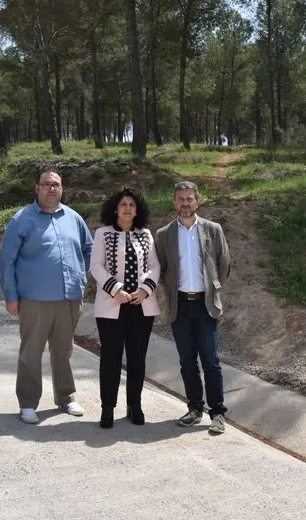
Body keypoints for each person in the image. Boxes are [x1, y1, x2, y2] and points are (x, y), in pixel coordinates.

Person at [0, 171, 93, 424]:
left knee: (63, 351)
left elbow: (89, 248)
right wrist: (10, 295)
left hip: (69, 297)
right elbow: (7, 261)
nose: (52, 189)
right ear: (36, 189)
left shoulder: (73, 217)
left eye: (56, 185)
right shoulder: (21, 220)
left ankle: (66, 397)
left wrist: (80, 276)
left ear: (62, 189)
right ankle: (28, 403)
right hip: (34, 299)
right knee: (31, 352)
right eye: (47, 185)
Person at [155, 181, 231, 434]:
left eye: (190, 199)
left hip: (205, 305)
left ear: (197, 201)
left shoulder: (213, 229)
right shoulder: (164, 234)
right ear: (174, 202)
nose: (185, 203)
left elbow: (224, 263)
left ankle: (217, 413)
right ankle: (195, 408)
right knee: (187, 361)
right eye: (180, 199)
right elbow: (162, 269)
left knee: (210, 360)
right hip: (179, 306)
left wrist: (213, 287)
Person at [89, 188, 160, 429]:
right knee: (110, 357)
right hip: (112, 306)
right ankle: (107, 407)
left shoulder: (146, 235)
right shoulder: (103, 234)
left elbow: (154, 266)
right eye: (123, 204)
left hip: (141, 305)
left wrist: (145, 290)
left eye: (132, 204)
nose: (127, 208)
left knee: (137, 359)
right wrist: (116, 289)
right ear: (115, 208)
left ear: (137, 209)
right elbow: (96, 266)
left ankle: (134, 406)